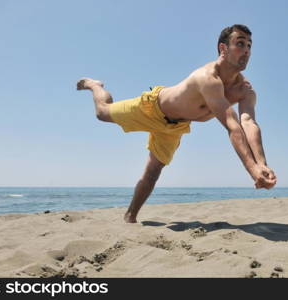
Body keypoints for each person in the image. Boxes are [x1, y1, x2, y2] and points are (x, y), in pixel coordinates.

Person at [77, 24, 277, 223]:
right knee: (102, 113)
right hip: (152, 108)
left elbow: (248, 123)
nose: (246, 51)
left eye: (249, 46)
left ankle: (130, 217)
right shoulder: (207, 78)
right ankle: (95, 85)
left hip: (176, 126)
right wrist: (252, 169)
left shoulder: (245, 90)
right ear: (222, 48)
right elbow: (232, 125)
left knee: (153, 170)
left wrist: (262, 164)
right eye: (240, 44)